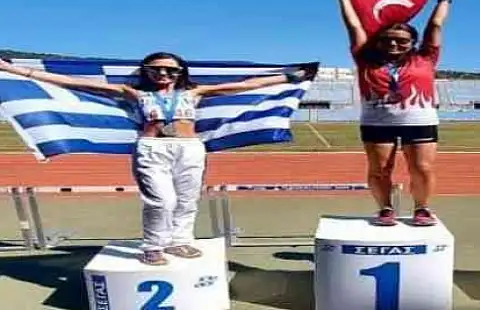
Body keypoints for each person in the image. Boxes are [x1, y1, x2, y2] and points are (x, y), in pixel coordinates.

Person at [0, 52, 313, 265]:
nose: (164, 73)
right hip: (152, 148)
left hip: (190, 148)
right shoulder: (134, 93)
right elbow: (74, 83)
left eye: (170, 70)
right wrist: (13, 70)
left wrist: (291, 77)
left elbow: (245, 85)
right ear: (147, 72)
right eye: (156, 69)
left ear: (180, 73)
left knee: (187, 200)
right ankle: (153, 246)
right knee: (161, 201)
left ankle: (180, 240)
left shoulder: (195, 93)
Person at [330, 0, 458, 227]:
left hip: (419, 120)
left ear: (413, 43)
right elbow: (354, 26)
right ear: (378, 41)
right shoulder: (365, 58)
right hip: (377, 121)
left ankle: (422, 208)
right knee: (379, 169)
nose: (393, 44)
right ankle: (385, 208)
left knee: (422, 168)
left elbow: (435, 24)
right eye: (387, 39)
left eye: (402, 41)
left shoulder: (426, 57)